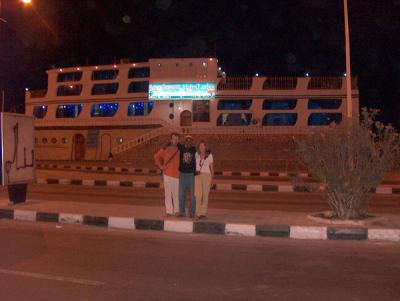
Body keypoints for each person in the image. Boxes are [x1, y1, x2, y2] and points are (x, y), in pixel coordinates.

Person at [154, 133, 180, 216]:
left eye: (176, 139)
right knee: (168, 194)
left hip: (176, 175)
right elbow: (156, 157)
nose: (175, 141)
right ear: (171, 139)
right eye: (174, 139)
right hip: (167, 174)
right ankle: (169, 211)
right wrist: (160, 166)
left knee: (176, 194)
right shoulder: (165, 149)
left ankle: (176, 211)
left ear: (178, 140)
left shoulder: (180, 150)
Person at [177, 135, 196, 218]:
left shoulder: (194, 149)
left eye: (190, 141)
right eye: (187, 141)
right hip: (182, 174)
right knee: (181, 194)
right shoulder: (181, 148)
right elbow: (174, 143)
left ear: (191, 142)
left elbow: (203, 150)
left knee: (193, 196)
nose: (188, 142)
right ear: (184, 141)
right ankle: (182, 212)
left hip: (191, 175)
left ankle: (191, 212)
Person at [194, 141, 214, 219]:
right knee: (198, 195)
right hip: (198, 176)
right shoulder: (196, 154)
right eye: (200, 146)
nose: (201, 147)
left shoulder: (209, 155)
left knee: (205, 195)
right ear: (198, 147)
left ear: (205, 147)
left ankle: (203, 212)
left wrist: (212, 180)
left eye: (203, 146)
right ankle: (197, 212)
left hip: (207, 176)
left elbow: (212, 169)